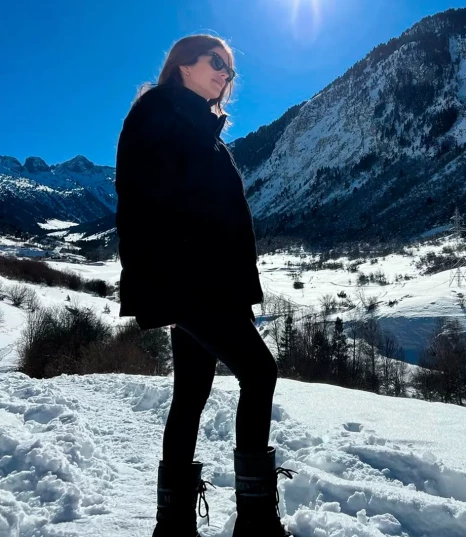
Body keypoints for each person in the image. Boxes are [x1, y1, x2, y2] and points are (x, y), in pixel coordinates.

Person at [114, 34, 296, 537]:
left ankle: (172, 525)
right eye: (216, 63)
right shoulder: (159, 116)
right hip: (190, 282)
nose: (225, 75)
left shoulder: (197, 125)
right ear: (183, 65)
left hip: (212, 284)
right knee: (259, 373)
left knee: (191, 393)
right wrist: (175, 279)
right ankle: (256, 519)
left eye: (231, 70)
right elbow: (150, 203)